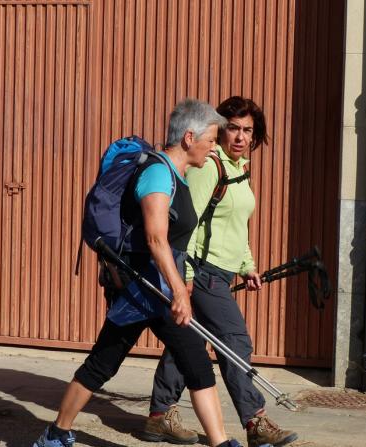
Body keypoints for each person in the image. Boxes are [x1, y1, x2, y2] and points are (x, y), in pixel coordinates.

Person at [33, 99, 244, 447]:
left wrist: (179, 283)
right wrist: (179, 290)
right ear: (189, 138)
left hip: (159, 287)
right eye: (210, 140)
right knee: (103, 363)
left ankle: (220, 442)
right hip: (142, 288)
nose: (213, 147)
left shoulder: (179, 176)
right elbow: (155, 238)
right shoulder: (158, 174)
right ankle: (56, 434)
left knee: (195, 362)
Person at [142, 96, 299, 447]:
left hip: (221, 271)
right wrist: (184, 277)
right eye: (233, 128)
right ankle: (255, 420)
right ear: (220, 129)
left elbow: (237, 226)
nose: (241, 137)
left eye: (248, 130)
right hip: (202, 270)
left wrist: (247, 266)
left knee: (188, 342)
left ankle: (159, 415)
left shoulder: (239, 169)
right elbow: (188, 223)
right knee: (235, 341)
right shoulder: (210, 166)